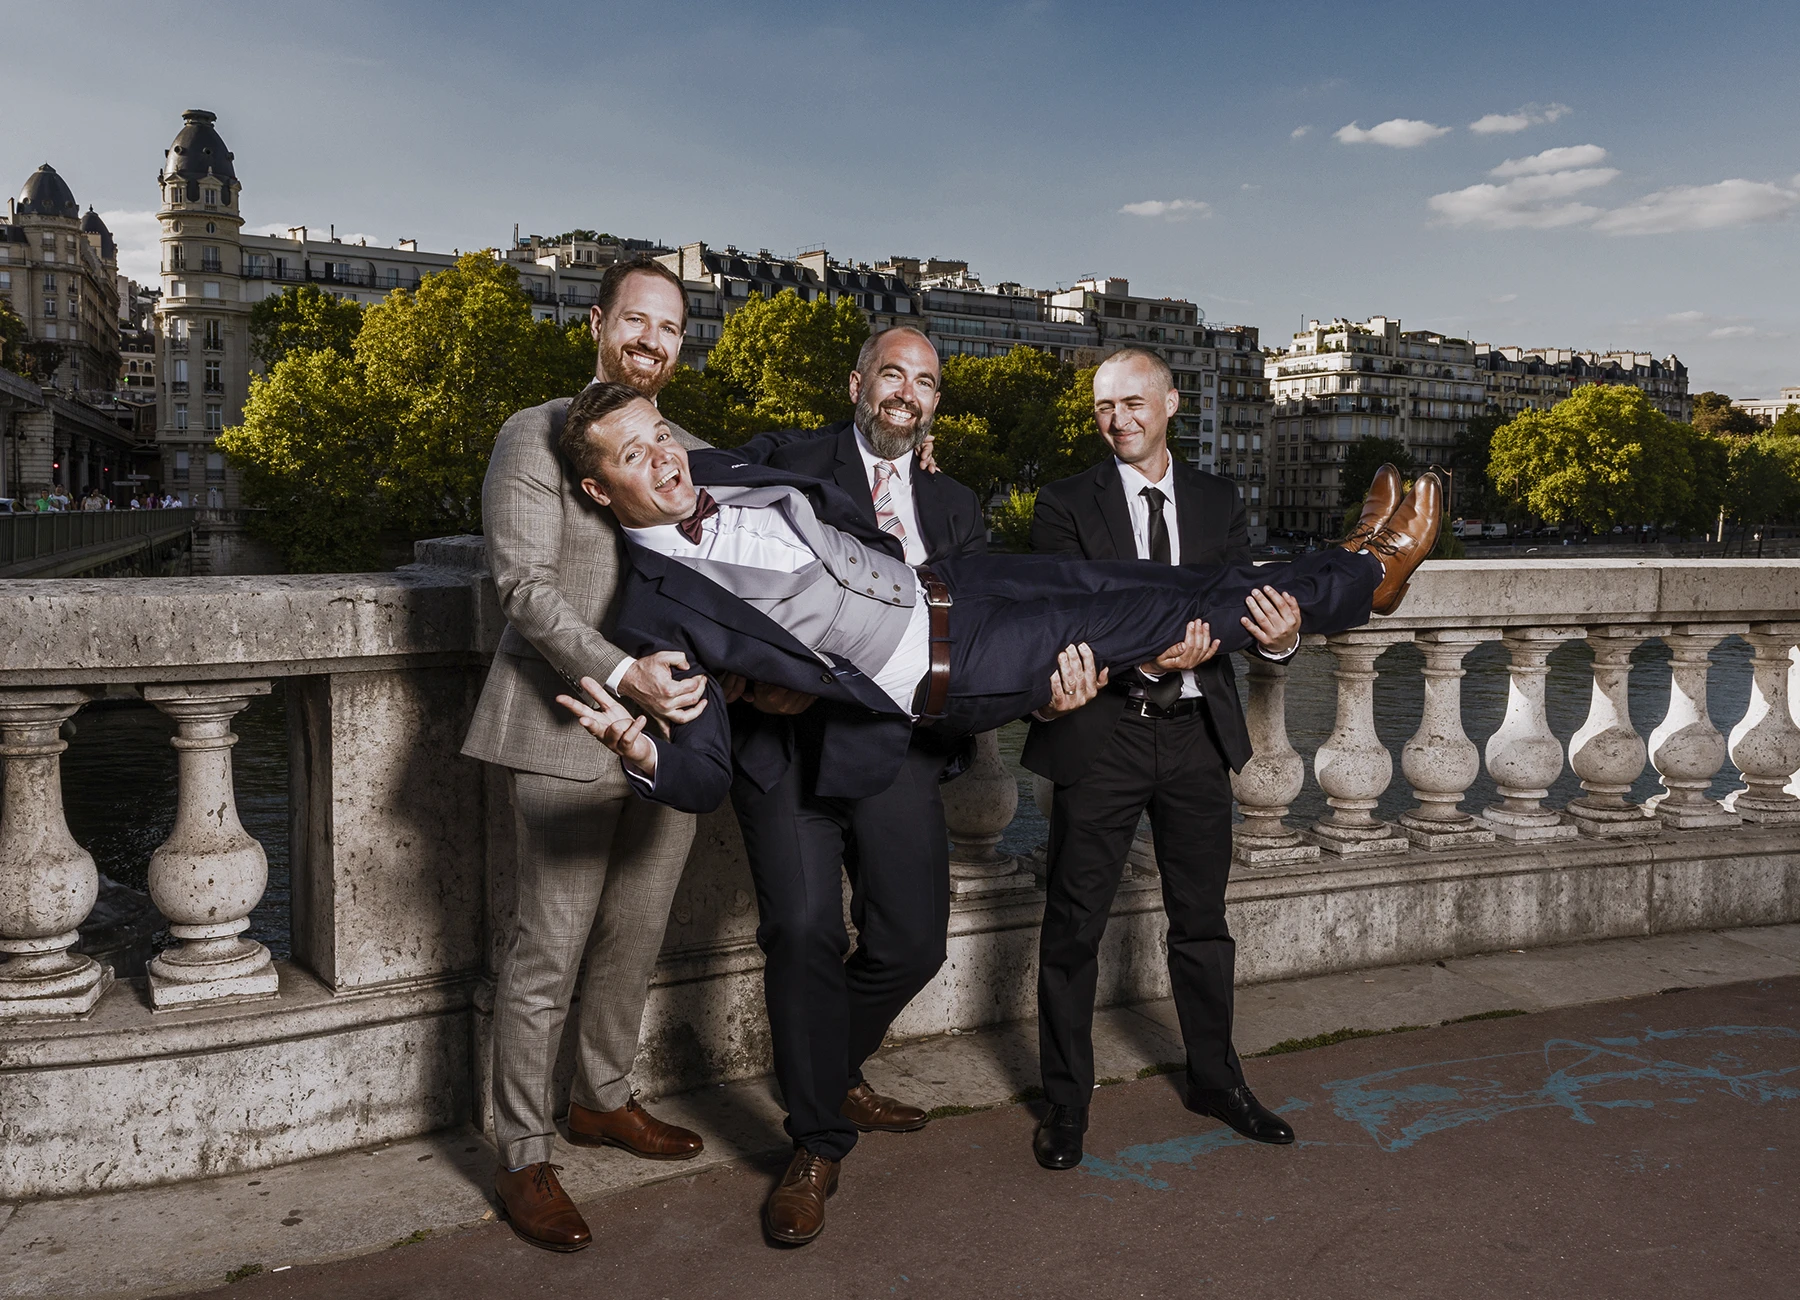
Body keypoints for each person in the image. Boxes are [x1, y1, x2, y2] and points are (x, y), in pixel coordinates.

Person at [550, 379, 1438, 820]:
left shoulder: (722, 464)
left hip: (959, 585)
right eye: (633, 456)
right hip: (950, 668)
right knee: (1169, 617)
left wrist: (910, 457)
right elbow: (702, 774)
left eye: (661, 435)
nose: (665, 460)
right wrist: (640, 749)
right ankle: (1369, 575)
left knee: (1167, 581)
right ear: (598, 491)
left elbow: (843, 451)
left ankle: (1344, 558)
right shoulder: (650, 617)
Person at [1018, 348, 1389, 1171]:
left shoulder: (1219, 499)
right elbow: (1066, 627)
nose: (1117, 418)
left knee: (1203, 925)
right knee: (1074, 929)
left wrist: (1285, 640)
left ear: (1172, 403)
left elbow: (1243, 616)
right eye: (1104, 405)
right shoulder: (1063, 504)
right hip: (1103, 740)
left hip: (1194, 741)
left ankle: (1218, 1082)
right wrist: (1152, 660)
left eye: (1133, 401)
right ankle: (1066, 1104)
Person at [459, 256, 725, 1254]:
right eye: (636, 321)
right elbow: (524, 590)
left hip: (671, 741)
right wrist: (627, 675)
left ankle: (602, 1098)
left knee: (633, 935)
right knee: (547, 952)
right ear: (599, 324)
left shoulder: (691, 448)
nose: (652, 340)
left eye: (670, 328)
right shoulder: (532, 434)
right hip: (562, 720)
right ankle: (524, 1152)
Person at [717, 327, 989, 1244]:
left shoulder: (957, 509)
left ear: (936, 403)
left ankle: (829, 1065)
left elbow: (977, 641)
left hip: (893, 747)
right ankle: (817, 1141)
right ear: (858, 383)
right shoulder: (783, 464)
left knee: (913, 943)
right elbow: (718, 570)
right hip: (783, 746)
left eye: (924, 381)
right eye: (891, 374)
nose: (905, 392)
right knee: (801, 932)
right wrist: (754, 674)